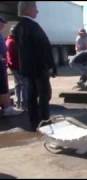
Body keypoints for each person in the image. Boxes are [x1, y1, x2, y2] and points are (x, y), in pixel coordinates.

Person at [13, 2, 57, 131]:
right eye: (35, 9)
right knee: (44, 95)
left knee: (31, 97)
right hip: (39, 68)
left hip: (26, 70)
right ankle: (45, 121)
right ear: (28, 9)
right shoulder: (33, 26)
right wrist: (51, 66)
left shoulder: (18, 27)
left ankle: (33, 123)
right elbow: (45, 47)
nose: (37, 12)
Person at [0, 16, 22, 117]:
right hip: (2, 64)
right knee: (4, 87)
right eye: (2, 23)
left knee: (4, 87)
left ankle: (6, 107)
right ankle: (7, 109)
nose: (4, 25)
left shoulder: (1, 35)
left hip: (3, 64)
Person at [6, 25, 28, 110]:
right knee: (23, 85)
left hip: (14, 66)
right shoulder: (13, 42)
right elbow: (19, 56)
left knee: (18, 85)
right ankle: (23, 104)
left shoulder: (9, 40)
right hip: (18, 67)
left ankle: (18, 103)